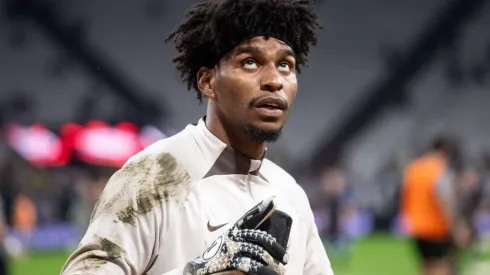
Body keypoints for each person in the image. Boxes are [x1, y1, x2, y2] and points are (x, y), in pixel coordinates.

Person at [61, 0, 332, 274]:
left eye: (286, 65)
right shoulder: (154, 177)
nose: (274, 80)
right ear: (207, 82)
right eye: (250, 62)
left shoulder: (290, 193)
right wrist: (199, 271)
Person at [400, 136, 466, 275]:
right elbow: (445, 201)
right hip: (436, 226)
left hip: (416, 225)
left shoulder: (414, 168)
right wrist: (457, 227)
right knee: (442, 266)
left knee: (427, 265)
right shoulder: (440, 170)